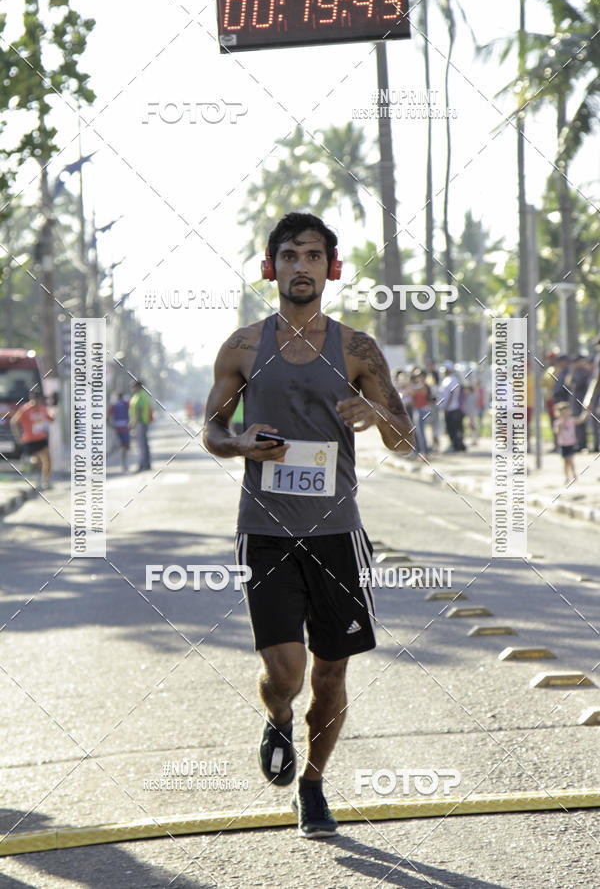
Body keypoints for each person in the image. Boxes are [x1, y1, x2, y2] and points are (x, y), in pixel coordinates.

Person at [202, 212, 413, 839]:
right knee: (287, 673)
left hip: (336, 533)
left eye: (314, 256)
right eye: (289, 256)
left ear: (332, 269)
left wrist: (374, 411)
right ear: (271, 267)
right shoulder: (241, 346)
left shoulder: (359, 349)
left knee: (331, 671)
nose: (301, 267)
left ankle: (314, 785)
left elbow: (404, 439)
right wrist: (240, 443)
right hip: (264, 531)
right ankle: (277, 718)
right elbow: (212, 430)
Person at [10, 387, 55, 490]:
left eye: (39, 400)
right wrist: (18, 437)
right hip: (30, 440)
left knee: (48, 460)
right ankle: (33, 474)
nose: (37, 403)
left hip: (41, 439)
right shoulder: (25, 409)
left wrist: (53, 415)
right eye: (35, 400)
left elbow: (50, 420)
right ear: (31, 398)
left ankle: (45, 481)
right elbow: (14, 422)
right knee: (36, 462)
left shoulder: (43, 408)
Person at [438, 361, 466, 452]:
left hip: (452, 408)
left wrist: (447, 407)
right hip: (449, 408)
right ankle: (455, 445)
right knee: (450, 428)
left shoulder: (452, 379)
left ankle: (456, 446)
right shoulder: (446, 379)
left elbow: (452, 393)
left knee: (453, 428)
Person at [553, 401, 582, 485]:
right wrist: (561, 426)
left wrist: (586, 412)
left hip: (571, 443)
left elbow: (580, 420)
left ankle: (574, 475)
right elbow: (557, 433)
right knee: (566, 461)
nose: (565, 415)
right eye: (563, 413)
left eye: (566, 412)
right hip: (563, 444)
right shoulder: (557, 423)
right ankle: (566, 476)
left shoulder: (571, 420)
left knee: (571, 460)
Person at [129, 380, 153, 472]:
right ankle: (146, 464)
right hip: (140, 422)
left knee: (141, 445)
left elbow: (139, 409)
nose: (132, 388)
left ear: (138, 386)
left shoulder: (141, 395)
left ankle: (143, 464)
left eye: (133, 386)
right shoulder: (138, 395)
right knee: (143, 444)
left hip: (141, 422)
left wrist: (133, 422)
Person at [108, 392, 130, 472]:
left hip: (117, 428)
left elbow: (107, 417)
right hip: (125, 428)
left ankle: (123, 464)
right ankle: (125, 464)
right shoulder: (126, 403)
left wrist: (110, 426)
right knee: (125, 447)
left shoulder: (113, 405)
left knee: (122, 446)